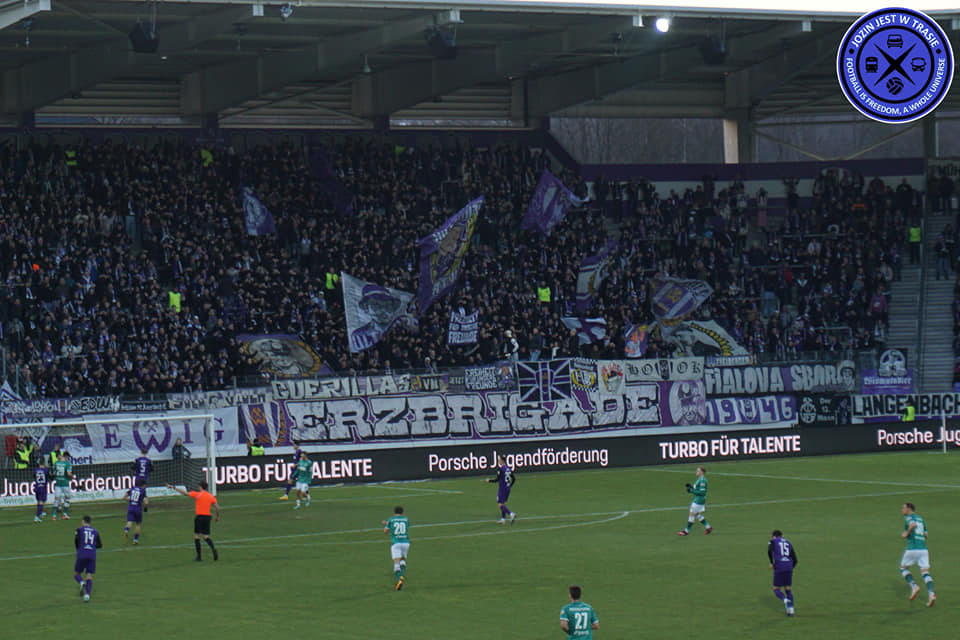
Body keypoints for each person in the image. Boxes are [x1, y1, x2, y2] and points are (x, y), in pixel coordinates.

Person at [166, 480, 220, 562]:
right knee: (206, 537)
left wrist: (173, 487)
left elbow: (185, 493)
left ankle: (199, 557)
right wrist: (217, 517)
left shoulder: (198, 494)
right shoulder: (210, 496)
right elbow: (217, 507)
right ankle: (213, 548)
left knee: (197, 536)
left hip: (199, 517)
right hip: (207, 517)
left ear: (201, 487)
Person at [900, 502, 935, 607]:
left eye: (904, 508)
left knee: (903, 568)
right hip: (923, 549)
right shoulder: (921, 519)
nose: (902, 510)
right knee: (925, 572)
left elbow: (912, 525)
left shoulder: (909, 518)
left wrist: (906, 534)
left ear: (909, 509)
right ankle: (931, 594)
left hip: (913, 548)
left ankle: (914, 586)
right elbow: (926, 534)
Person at [768, 529, 798, 616]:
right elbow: (795, 560)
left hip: (779, 566)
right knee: (788, 588)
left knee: (776, 589)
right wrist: (789, 568)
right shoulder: (788, 543)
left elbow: (769, 550)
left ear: (774, 536)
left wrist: (771, 563)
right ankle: (791, 610)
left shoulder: (772, 541)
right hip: (789, 567)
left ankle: (785, 600)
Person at [74, 515, 102, 603]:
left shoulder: (79, 530)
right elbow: (99, 545)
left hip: (82, 553)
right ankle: (87, 595)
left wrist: (79, 549)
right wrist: (92, 546)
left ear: (83, 521)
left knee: (76, 573)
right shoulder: (95, 531)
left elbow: (76, 541)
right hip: (92, 554)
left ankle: (82, 582)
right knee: (89, 575)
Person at [677, 466, 711, 535]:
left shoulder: (702, 481)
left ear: (702, 472)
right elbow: (697, 489)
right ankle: (708, 527)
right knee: (696, 514)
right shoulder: (699, 479)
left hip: (699, 500)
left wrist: (691, 491)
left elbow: (702, 492)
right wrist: (690, 486)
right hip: (697, 499)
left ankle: (686, 531)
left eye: (698, 471)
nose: (696, 472)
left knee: (692, 514)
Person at [382, 505, 410, 591]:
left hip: (396, 543)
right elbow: (404, 527)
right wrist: (388, 524)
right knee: (403, 560)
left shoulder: (391, 519)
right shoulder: (406, 519)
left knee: (396, 564)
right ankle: (402, 575)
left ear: (394, 512)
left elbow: (386, 531)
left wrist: (386, 524)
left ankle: (399, 579)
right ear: (402, 512)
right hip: (406, 543)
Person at [486, 454, 516, 524]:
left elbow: (497, 479)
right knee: (503, 503)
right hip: (507, 488)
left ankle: (511, 514)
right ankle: (503, 519)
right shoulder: (508, 468)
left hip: (503, 488)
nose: (498, 461)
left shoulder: (501, 469)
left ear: (502, 461)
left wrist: (489, 480)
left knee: (500, 504)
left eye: (499, 460)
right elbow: (514, 479)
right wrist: (510, 486)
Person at [123, 478, 149, 544]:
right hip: (138, 509)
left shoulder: (132, 489)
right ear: (143, 485)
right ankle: (135, 540)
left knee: (129, 522)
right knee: (138, 524)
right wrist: (145, 509)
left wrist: (131, 500)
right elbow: (146, 502)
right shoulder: (143, 491)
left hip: (131, 508)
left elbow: (124, 497)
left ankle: (126, 530)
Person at [52, 451, 74, 521]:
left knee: (56, 499)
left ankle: (54, 516)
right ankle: (64, 514)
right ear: (66, 457)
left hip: (58, 483)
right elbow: (69, 474)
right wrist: (72, 477)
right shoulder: (67, 464)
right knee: (67, 498)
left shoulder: (56, 463)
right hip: (65, 483)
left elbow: (54, 473)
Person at [33, 458, 50, 523]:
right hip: (43, 488)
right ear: (44, 463)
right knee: (42, 502)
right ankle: (36, 517)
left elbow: (34, 476)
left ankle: (41, 512)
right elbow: (49, 477)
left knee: (39, 501)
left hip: (37, 487)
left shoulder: (36, 470)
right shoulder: (46, 470)